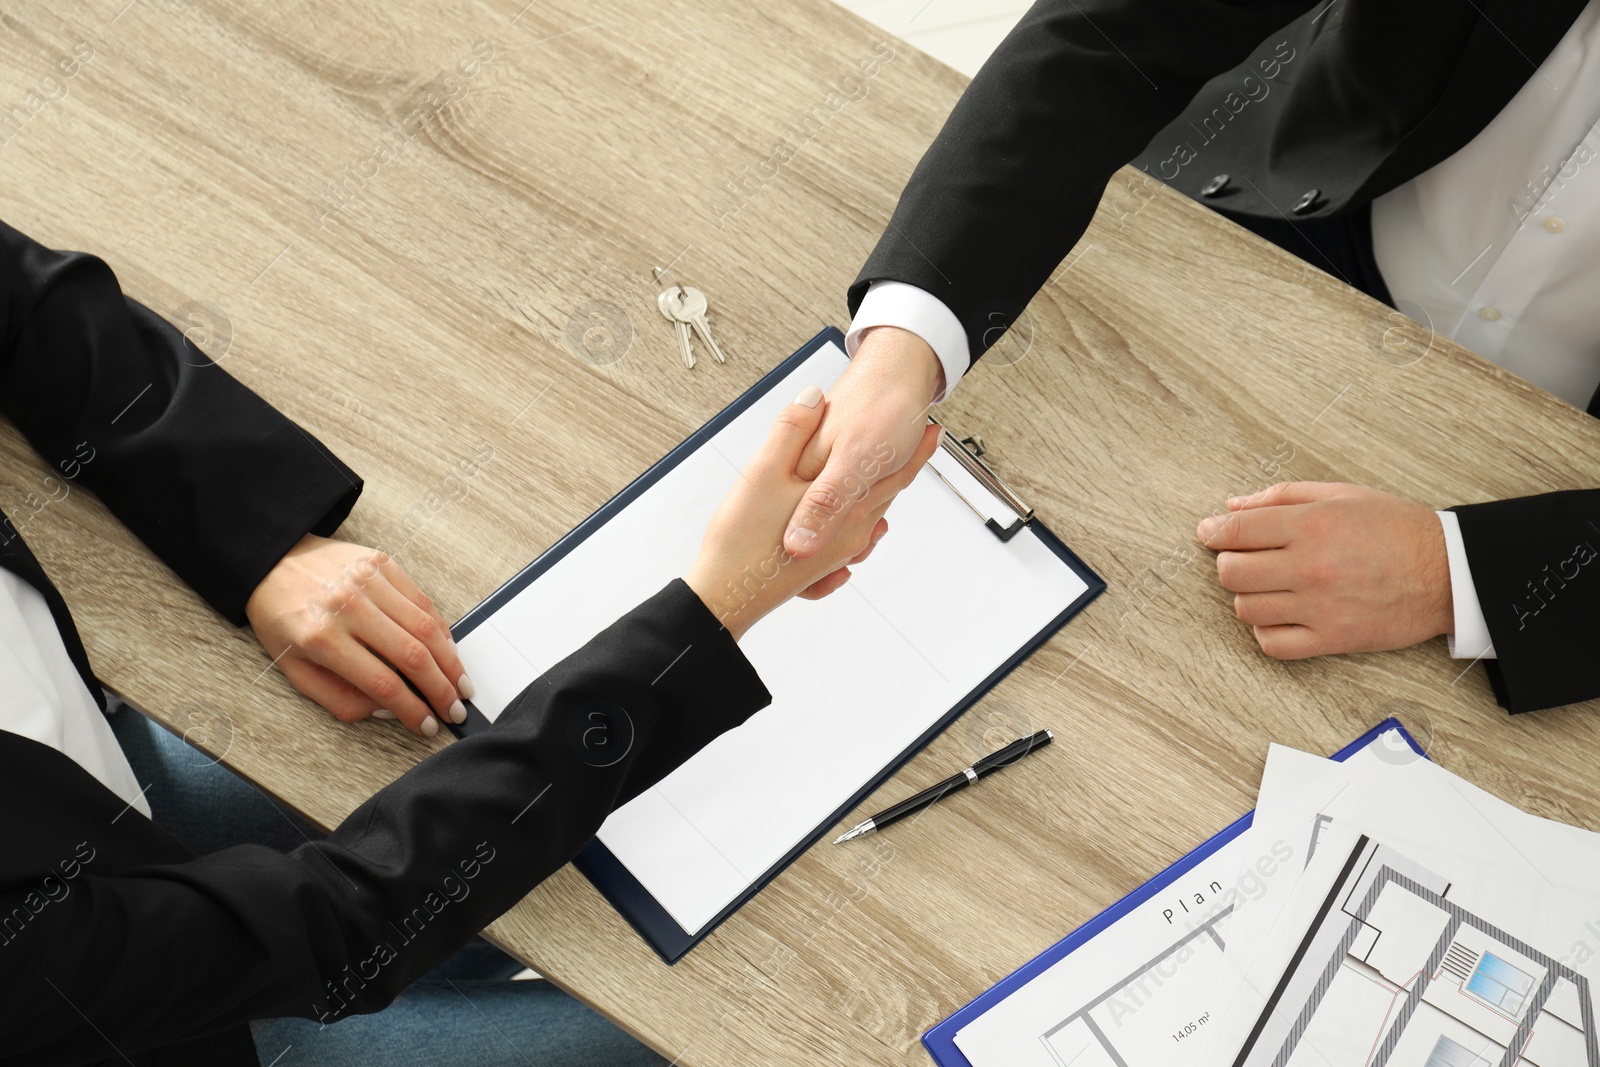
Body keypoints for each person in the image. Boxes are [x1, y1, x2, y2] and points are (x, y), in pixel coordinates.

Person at [0, 216, 941, 1064]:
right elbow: (340, 921)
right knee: (727, 1027)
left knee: (564, 887)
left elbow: (24, 306)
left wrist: (258, 538)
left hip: (88, 792)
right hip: (150, 1015)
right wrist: (716, 609)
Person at [777, 0, 1600, 714]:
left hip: (1556, 463)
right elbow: (1119, 29)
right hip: (1319, 208)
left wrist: (1451, 570)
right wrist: (908, 343)